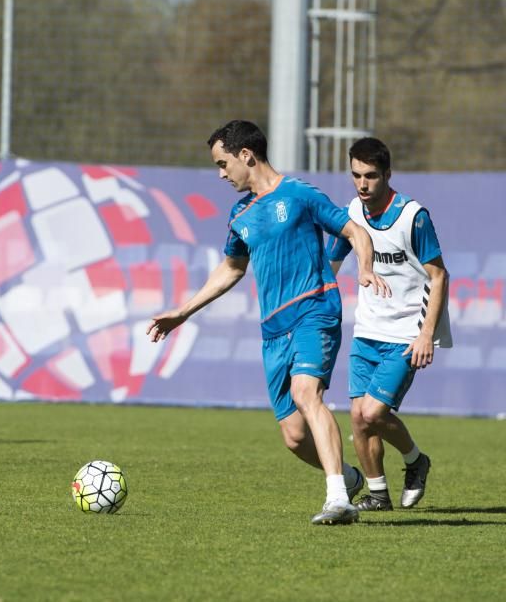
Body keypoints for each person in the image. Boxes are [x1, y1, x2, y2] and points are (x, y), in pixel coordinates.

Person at [147, 120, 390, 525]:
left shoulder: (298, 195)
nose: (221, 174)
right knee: (294, 437)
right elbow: (231, 269)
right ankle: (347, 477)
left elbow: (354, 231)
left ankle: (338, 500)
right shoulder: (240, 214)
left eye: (223, 164)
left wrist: (364, 268)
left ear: (246, 155)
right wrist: (183, 312)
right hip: (273, 330)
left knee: (305, 392)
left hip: (315, 308)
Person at [327, 137, 450, 511]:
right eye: (356, 175)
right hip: (367, 331)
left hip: (406, 334)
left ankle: (415, 460)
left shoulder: (414, 216)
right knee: (359, 420)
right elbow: (331, 264)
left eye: (371, 176)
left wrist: (427, 334)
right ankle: (378, 494)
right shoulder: (354, 212)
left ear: (388, 175)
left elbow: (439, 275)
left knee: (373, 413)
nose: (362, 184)